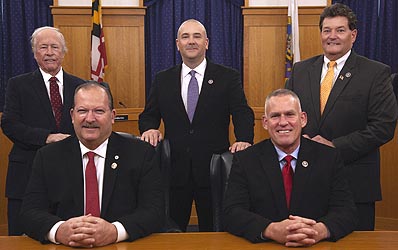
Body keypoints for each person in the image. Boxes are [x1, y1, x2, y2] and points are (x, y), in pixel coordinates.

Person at [285, 3, 398, 231]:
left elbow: (383, 127)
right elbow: (288, 116)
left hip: (354, 184)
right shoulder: (300, 70)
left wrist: (334, 146)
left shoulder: (375, 73)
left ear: (353, 35)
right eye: (327, 30)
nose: (332, 36)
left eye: (340, 30)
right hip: (307, 182)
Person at [138, 19, 254, 231]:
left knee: (215, 231)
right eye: (185, 37)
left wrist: (244, 140)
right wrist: (149, 129)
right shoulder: (163, 79)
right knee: (172, 232)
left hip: (214, 170)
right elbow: (148, 115)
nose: (191, 41)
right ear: (177, 44)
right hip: (174, 171)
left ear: (207, 43)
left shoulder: (228, 77)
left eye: (197, 36)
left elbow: (242, 113)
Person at [20, 81, 164, 247]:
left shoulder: (140, 154)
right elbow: (29, 212)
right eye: (82, 111)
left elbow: (154, 211)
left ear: (113, 116)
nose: (90, 119)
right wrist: (59, 231)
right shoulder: (48, 156)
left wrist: (115, 231)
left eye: (99, 111)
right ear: (72, 115)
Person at [223, 89, 357, 246]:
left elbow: (347, 211)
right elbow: (232, 213)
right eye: (275, 116)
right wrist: (271, 230)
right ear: (265, 122)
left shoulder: (329, 157)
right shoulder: (246, 160)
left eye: (289, 114)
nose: (283, 122)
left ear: (303, 119)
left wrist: (318, 231)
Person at [1, 26, 85, 235]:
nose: (49, 52)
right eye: (43, 47)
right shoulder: (18, 85)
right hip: (27, 172)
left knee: (70, 235)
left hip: (70, 175)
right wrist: (47, 137)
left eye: (55, 47)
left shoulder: (81, 86)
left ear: (63, 52)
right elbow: (9, 124)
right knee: (23, 238)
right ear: (34, 52)